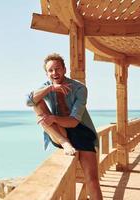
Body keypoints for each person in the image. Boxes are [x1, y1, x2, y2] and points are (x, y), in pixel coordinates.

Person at [26, 53, 102, 199]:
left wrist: (52, 118)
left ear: (64, 69)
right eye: (51, 70)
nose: (55, 73)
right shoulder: (47, 86)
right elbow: (28, 101)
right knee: (36, 102)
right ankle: (65, 142)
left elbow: (74, 121)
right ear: (47, 73)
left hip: (81, 132)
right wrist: (51, 89)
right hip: (60, 133)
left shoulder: (80, 88)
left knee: (92, 180)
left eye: (58, 69)